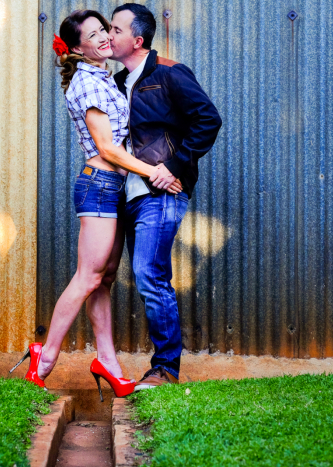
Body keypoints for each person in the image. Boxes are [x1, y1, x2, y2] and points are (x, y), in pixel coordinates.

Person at [10, 9, 182, 401]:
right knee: (88, 277)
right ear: (76, 48)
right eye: (93, 35)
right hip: (100, 185)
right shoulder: (86, 84)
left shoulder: (103, 76)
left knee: (103, 280)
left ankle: (107, 361)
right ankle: (45, 356)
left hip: (113, 186)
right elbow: (107, 147)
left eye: (104, 29)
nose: (104, 37)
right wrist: (156, 171)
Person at [108, 4, 222, 390]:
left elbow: (208, 119)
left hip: (161, 193)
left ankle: (165, 370)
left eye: (115, 29)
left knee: (149, 275)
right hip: (127, 194)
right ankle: (154, 366)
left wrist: (174, 167)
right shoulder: (118, 81)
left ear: (137, 40)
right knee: (141, 276)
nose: (108, 34)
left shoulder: (170, 74)